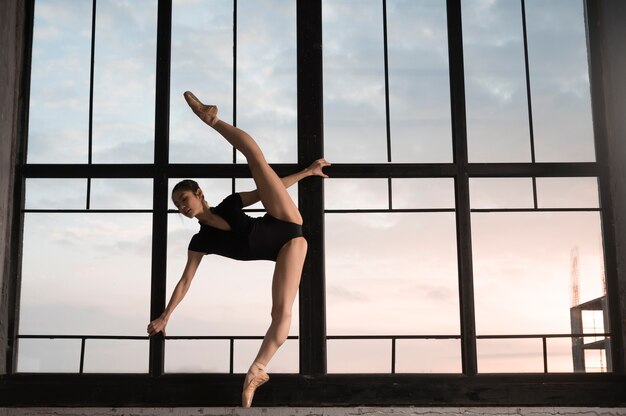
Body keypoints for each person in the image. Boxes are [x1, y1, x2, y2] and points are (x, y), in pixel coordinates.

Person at [147, 91, 330, 408]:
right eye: (177, 205)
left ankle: (211, 118)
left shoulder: (230, 204)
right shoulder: (200, 241)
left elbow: (268, 189)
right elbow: (185, 281)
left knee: (257, 161)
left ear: (199, 194)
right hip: (290, 245)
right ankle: (258, 370)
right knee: (280, 314)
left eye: (184, 200)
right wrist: (165, 316)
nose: (182, 207)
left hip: (283, 219)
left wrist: (307, 172)